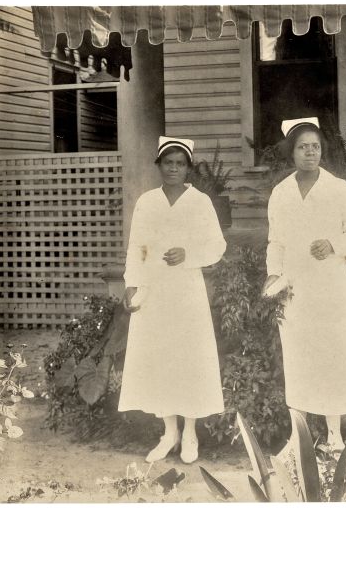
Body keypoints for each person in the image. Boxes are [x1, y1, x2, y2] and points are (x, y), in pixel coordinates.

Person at [264, 117, 346, 452]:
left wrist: (333, 245)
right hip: (295, 288)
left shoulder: (339, 189)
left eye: (315, 146)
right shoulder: (281, 193)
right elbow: (275, 242)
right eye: (302, 147)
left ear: (322, 151)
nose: (310, 152)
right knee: (298, 357)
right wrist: (273, 273)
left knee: (333, 356)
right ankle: (298, 437)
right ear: (292, 152)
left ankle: (334, 436)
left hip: (331, 286)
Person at [118, 136, 227, 464]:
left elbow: (217, 246)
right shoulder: (147, 202)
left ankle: (190, 433)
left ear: (188, 168)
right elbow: (136, 246)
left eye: (180, 163)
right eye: (168, 162)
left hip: (186, 290)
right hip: (154, 289)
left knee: (188, 357)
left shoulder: (200, 202)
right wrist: (132, 283)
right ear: (159, 165)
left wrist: (188, 253)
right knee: (160, 358)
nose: (174, 169)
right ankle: (170, 432)